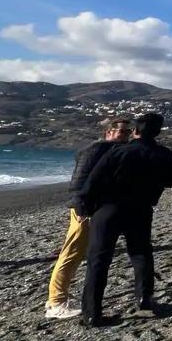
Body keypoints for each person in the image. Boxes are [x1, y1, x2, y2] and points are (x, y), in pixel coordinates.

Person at [78, 112, 172, 326]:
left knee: (99, 259)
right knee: (141, 253)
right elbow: (171, 181)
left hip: (109, 208)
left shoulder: (119, 151)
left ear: (135, 131)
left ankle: (92, 313)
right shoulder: (164, 154)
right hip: (141, 208)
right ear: (158, 132)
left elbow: (93, 181)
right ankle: (144, 299)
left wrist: (84, 206)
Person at [44, 117, 132, 320]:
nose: (126, 136)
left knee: (77, 251)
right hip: (85, 209)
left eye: (129, 132)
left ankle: (58, 298)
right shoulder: (98, 149)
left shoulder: (105, 149)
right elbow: (79, 181)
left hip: (91, 207)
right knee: (72, 252)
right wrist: (83, 207)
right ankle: (56, 303)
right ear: (109, 132)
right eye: (123, 132)